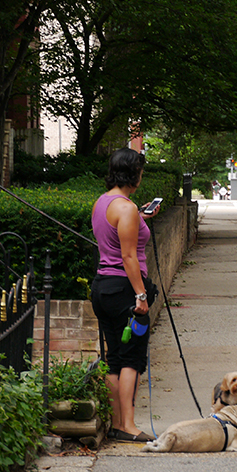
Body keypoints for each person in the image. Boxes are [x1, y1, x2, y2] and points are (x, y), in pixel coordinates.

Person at [91, 148, 161, 442]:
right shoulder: (127, 208)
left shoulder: (103, 202)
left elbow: (113, 233)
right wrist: (141, 296)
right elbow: (129, 256)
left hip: (103, 288)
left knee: (114, 357)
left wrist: (141, 216)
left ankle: (115, 422)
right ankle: (128, 425)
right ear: (135, 174)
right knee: (132, 357)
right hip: (125, 291)